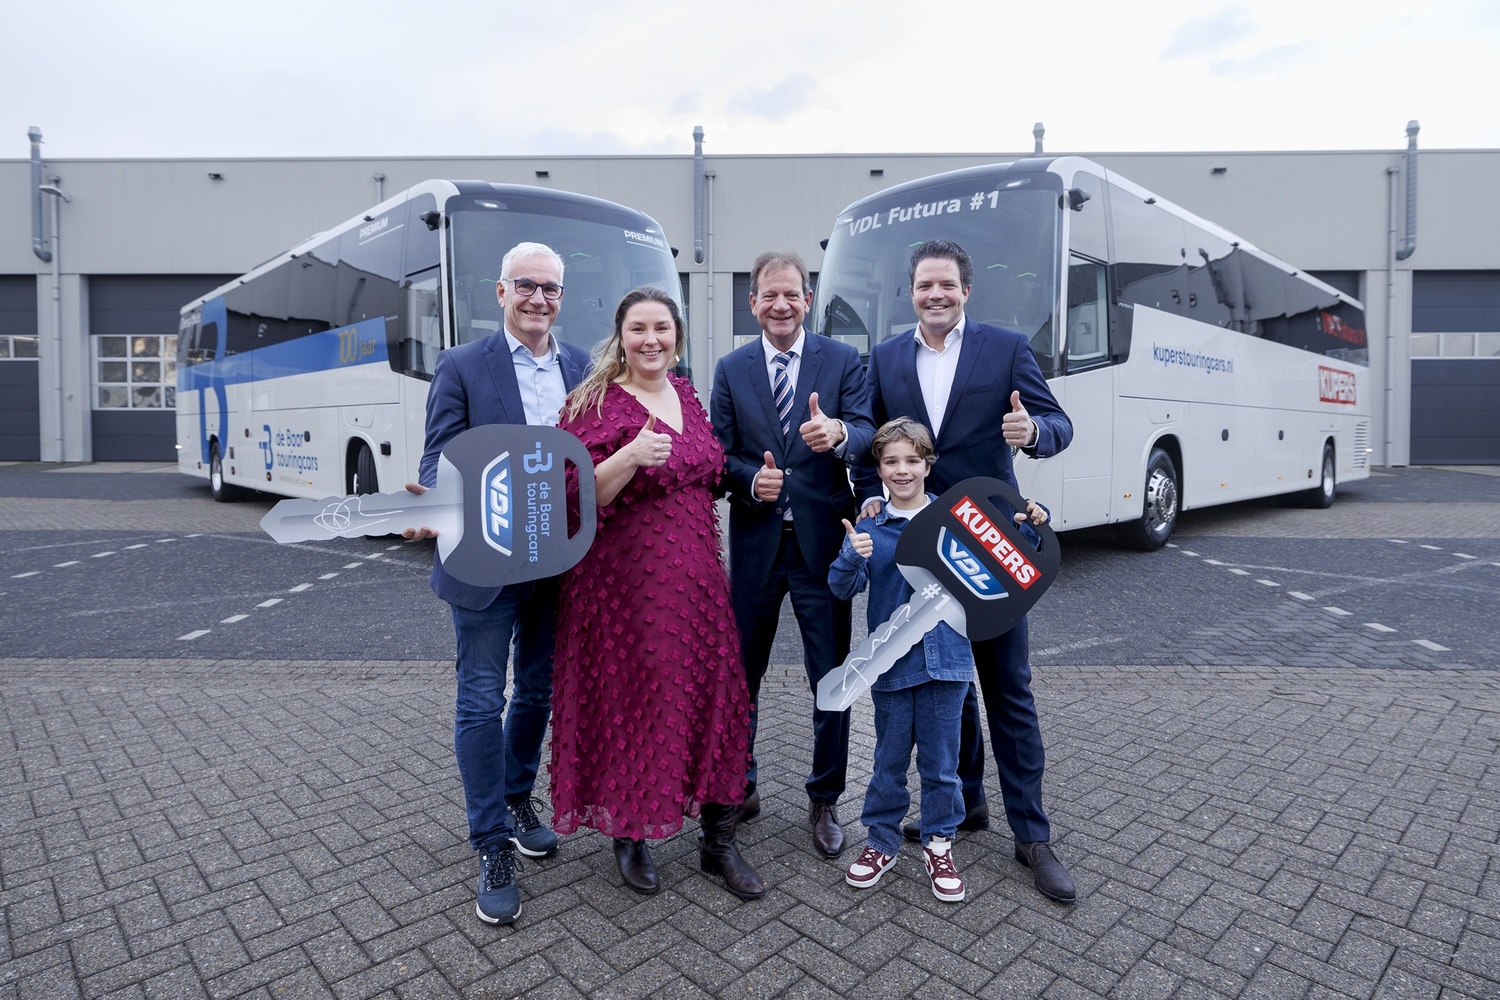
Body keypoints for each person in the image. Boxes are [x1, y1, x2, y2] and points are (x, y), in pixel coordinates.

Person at [856, 238, 1078, 904]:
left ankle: (1032, 836)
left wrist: (1033, 434)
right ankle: (970, 802)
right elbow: (870, 443)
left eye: (947, 284)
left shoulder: (1005, 349)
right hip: (922, 554)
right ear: (912, 293)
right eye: (925, 285)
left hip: (988, 546)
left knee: (1007, 688)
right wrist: (870, 495)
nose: (936, 295)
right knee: (944, 680)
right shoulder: (887, 358)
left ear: (966, 291)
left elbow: (1058, 422)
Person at [549, 286, 763, 900]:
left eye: (661, 329)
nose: (651, 340)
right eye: (638, 329)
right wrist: (629, 456)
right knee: (638, 697)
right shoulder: (592, 403)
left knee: (718, 694)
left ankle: (718, 841)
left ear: (677, 337)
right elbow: (573, 495)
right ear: (620, 337)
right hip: (626, 587)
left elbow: (709, 473)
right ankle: (632, 833)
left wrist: (756, 480)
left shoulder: (687, 394)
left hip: (698, 581)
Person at [402, 242, 588, 926]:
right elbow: (439, 453)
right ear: (501, 291)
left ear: (561, 297)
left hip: (555, 561)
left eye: (550, 288)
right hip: (483, 560)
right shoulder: (462, 364)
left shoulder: (580, 367)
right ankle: (490, 843)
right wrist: (433, 500)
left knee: (538, 690)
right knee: (482, 699)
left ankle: (515, 797)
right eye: (525, 286)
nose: (538, 298)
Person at [833, 417, 1053, 904]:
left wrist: (1031, 527)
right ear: (878, 469)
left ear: (928, 465)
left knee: (942, 768)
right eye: (891, 461)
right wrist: (851, 554)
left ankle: (939, 844)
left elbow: (1007, 562)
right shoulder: (870, 526)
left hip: (948, 666)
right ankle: (881, 843)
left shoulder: (957, 520)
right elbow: (841, 588)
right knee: (887, 764)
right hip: (891, 669)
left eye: (912, 460)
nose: (902, 470)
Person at [710, 250, 875, 859]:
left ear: (808, 300)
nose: (781, 305)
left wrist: (839, 434)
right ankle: (741, 783)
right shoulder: (732, 369)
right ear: (752, 302)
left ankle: (825, 797)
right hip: (757, 544)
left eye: (792, 295)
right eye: (769, 295)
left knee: (830, 676)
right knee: (740, 674)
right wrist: (751, 479)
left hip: (820, 547)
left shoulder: (842, 360)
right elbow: (718, 456)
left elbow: (867, 432)